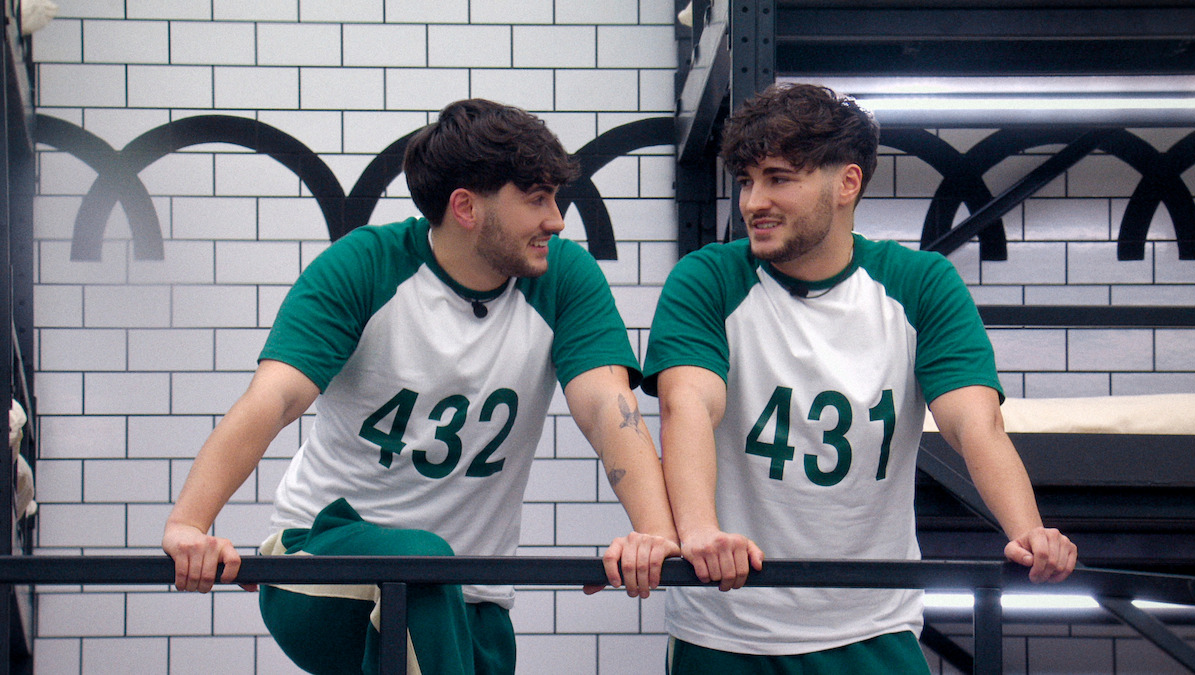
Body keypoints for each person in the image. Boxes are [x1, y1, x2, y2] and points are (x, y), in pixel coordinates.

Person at [162, 98, 680, 675]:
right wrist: (191, 523)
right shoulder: (365, 265)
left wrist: (654, 534)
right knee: (420, 559)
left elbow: (608, 408)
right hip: (323, 563)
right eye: (536, 200)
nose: (557, 220)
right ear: (465, 207)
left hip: (473, 598)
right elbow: (273, 399)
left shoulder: (563, 277)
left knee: (441, 587)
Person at [641, 83, 1077, 674]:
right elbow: (687, 404)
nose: (752, 202)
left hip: (871, 627)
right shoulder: (708, 278)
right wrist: (699, 532)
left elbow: (975, 424)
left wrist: (1029, 533)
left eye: (778, 178)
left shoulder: (920, 283)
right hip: (726, 630)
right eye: (746, 181)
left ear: (847, 183)